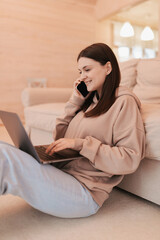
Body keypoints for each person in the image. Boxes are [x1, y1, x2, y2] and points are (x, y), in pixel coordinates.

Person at [0, 43, 145, 218]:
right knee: (2, 148)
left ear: (108, 67)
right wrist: (75, 101)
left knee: (5, 160)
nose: (82, 77)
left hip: (84, 192)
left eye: (87, 70)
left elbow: (130, 158)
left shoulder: (124, 102)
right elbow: (60, 137)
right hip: (61, 173)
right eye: (80, 72)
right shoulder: (90, 102)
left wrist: (82, 145)